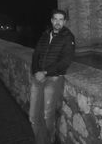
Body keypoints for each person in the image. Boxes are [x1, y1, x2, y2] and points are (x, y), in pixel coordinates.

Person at [29, 9, 75, 144]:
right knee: (33, 116)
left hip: (54, 78)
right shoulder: (44, 35)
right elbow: (36, 55)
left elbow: (65, 61)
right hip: (38, 77)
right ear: (51, 20)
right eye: (55, 19)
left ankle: (48, 141)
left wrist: (44, 73)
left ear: (65, 22)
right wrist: (36, 71)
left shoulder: (68, 37)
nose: (58, 22)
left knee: (46, 115)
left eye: (61, 19)